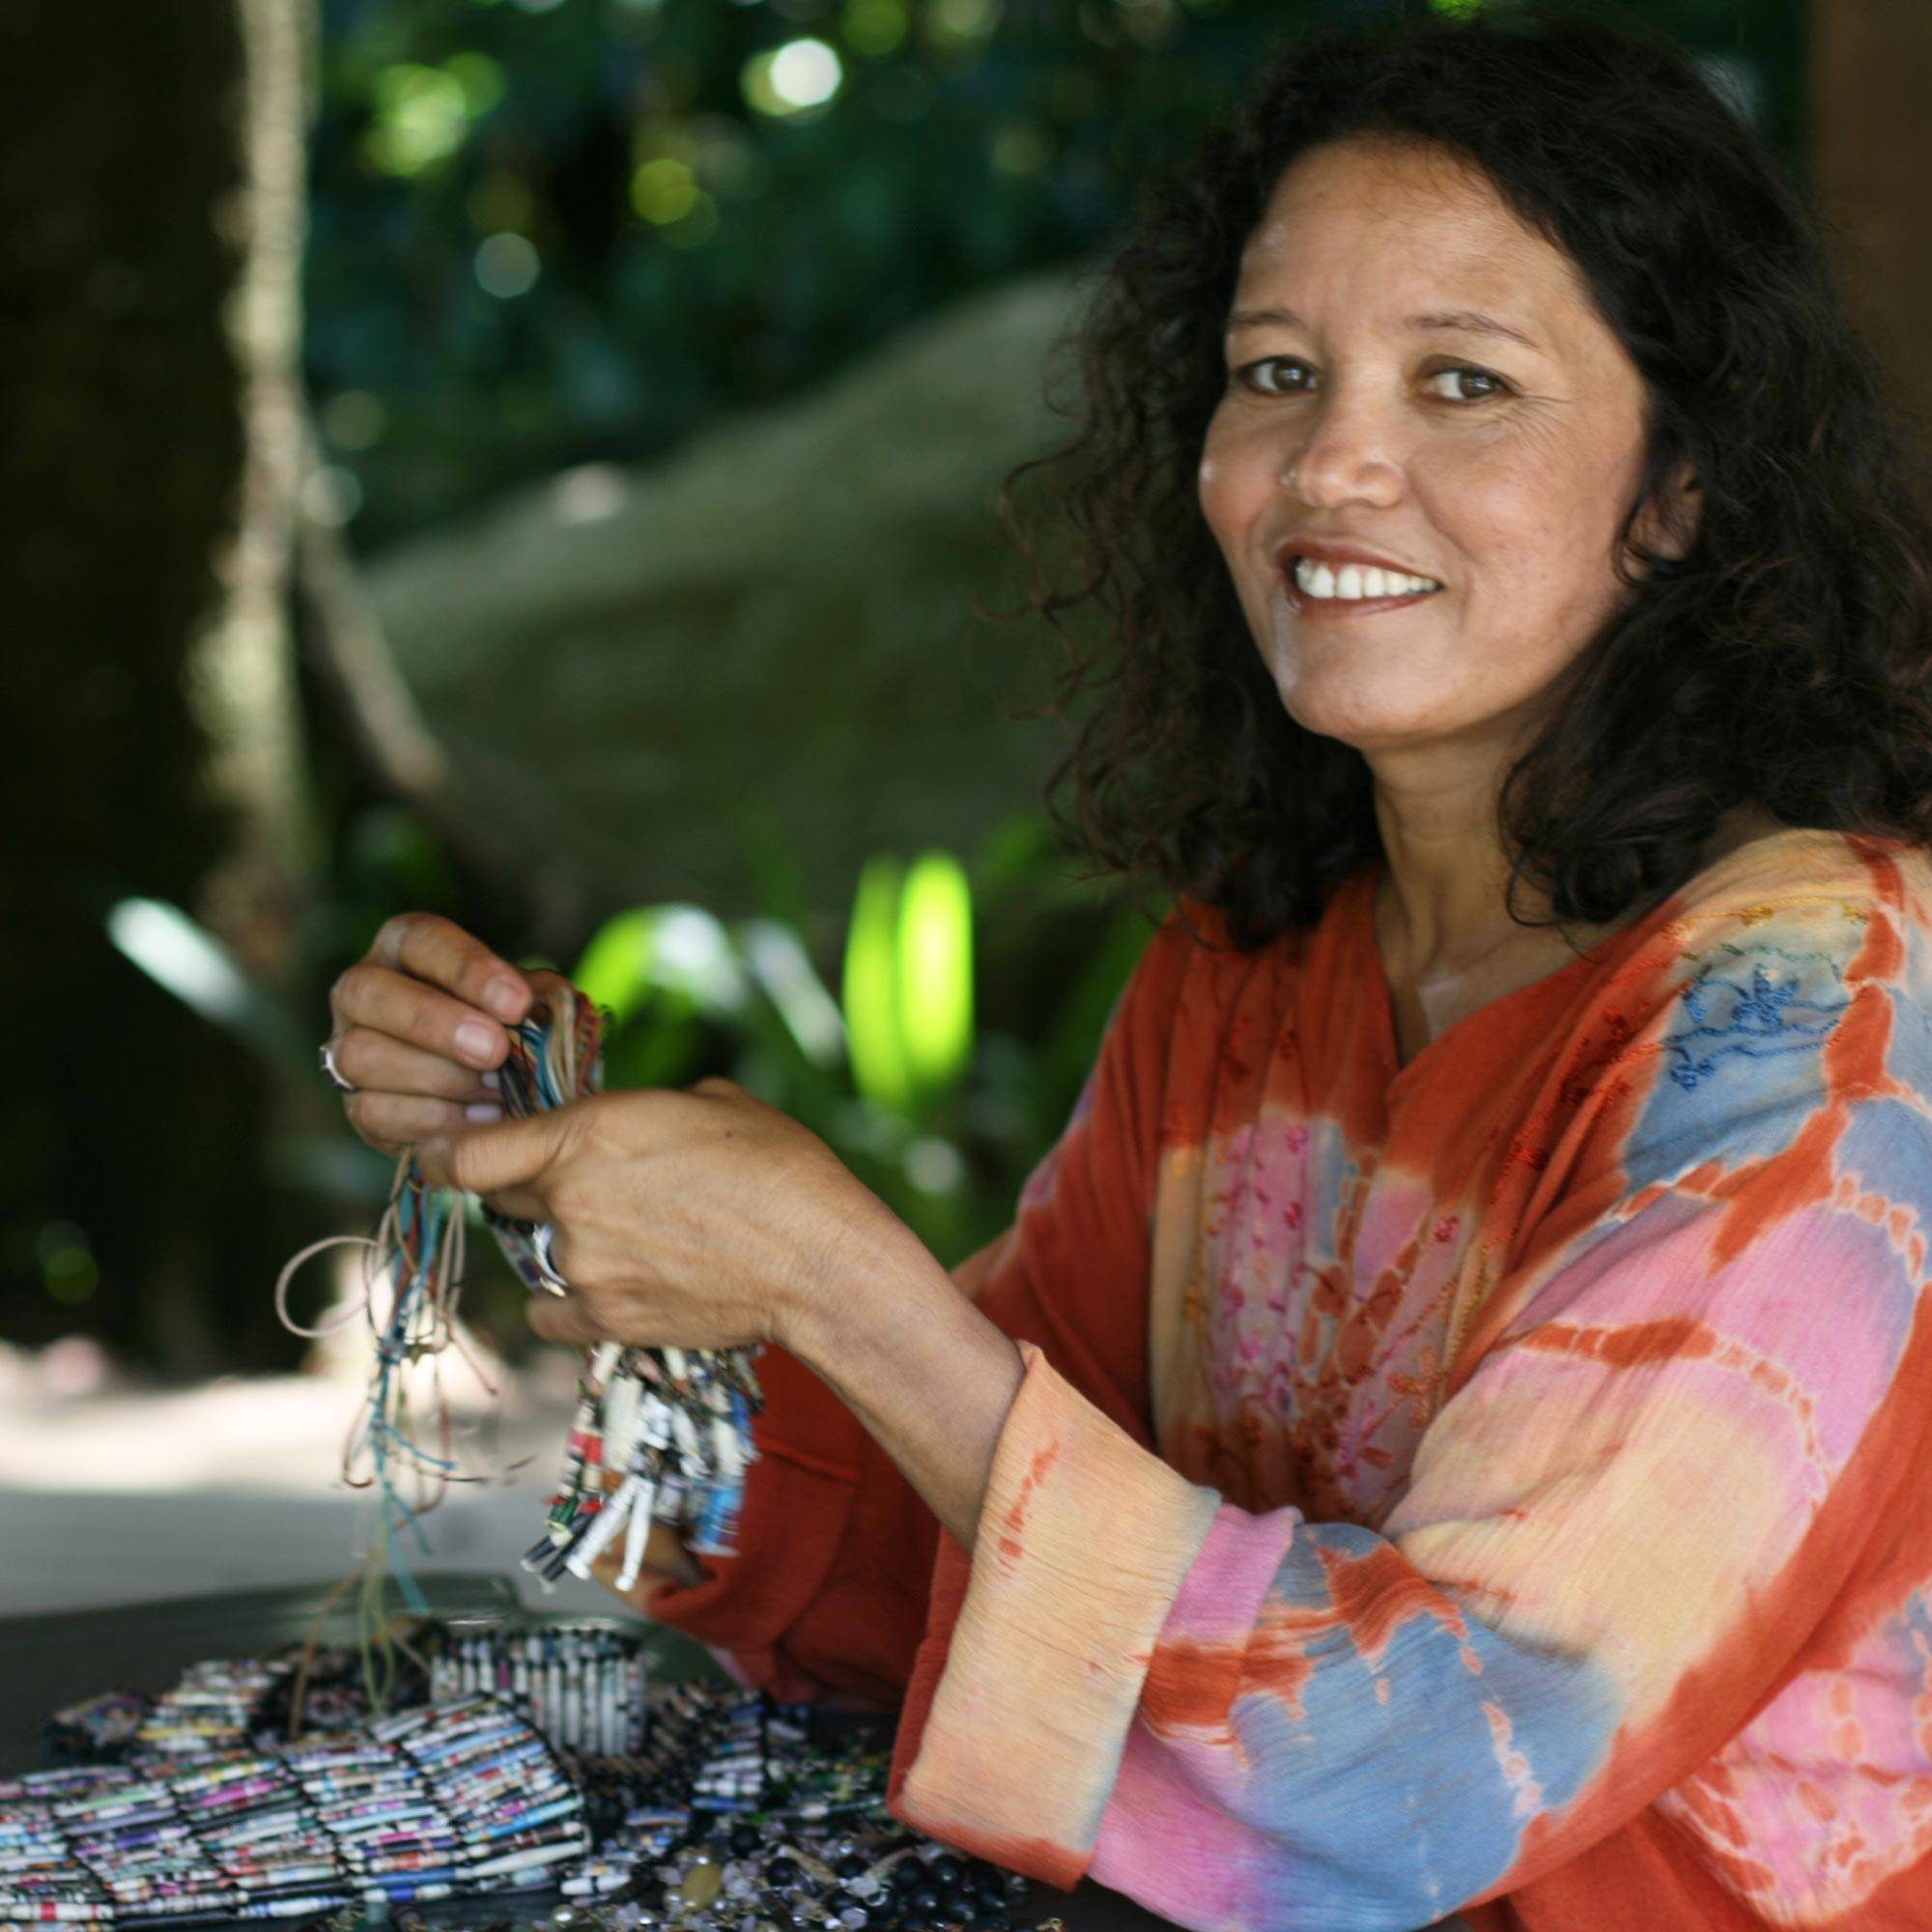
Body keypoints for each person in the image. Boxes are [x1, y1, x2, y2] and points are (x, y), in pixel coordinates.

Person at [321, 11, 1932, 1929]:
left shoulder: (1828, 1043)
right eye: (1275, 372)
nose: (1331, 460)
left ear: (1677, 488)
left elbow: (1417, 1767)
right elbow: (940, 1530)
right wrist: (575, 1173)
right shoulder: (1255, 972)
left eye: (1463, 382)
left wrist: (840, 1271)